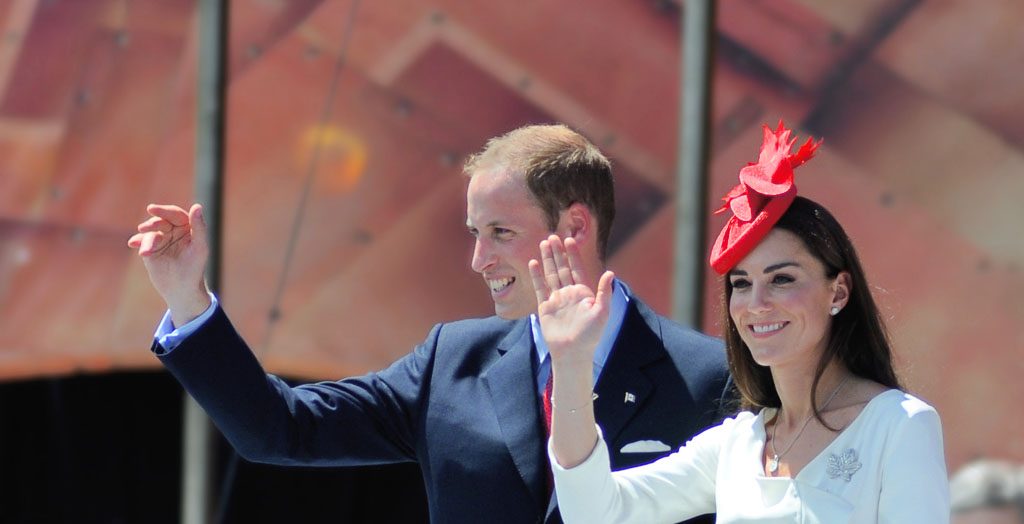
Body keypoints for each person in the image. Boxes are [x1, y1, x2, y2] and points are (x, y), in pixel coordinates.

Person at [127, 124, 731, 523]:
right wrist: (188, 298)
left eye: (501, 233)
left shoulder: (707, 377)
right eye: (475, 233)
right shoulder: (452, 361)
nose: (478, 260)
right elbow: (281, 430)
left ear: (574, 228)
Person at [535, 122, 950, 523]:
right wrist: (571, 363)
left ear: (838, 292)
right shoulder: (737, 443)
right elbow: (594, 513)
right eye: (741, 283)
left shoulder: (899, 425)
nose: (756, 303)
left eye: (782, 279)